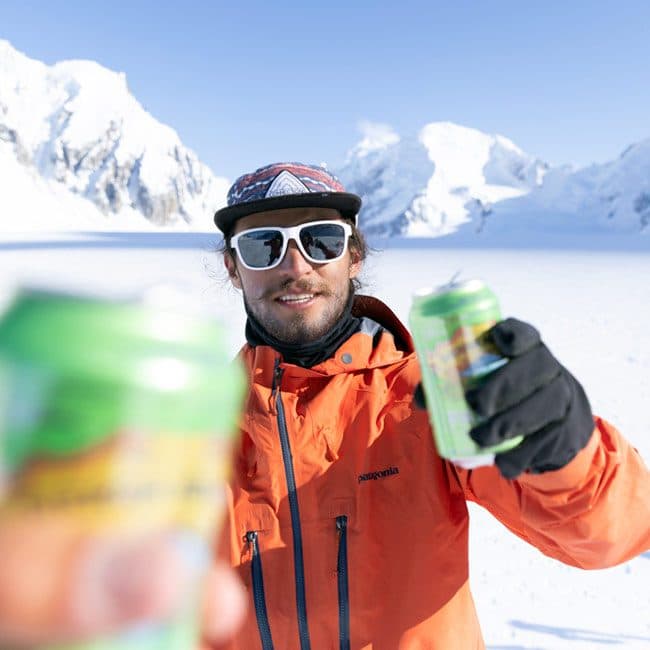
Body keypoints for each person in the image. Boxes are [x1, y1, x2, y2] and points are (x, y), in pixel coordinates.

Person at [211, 161, 650, 649]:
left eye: (321, 240)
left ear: (353, 255)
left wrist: (564, 451)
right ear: (233, 268)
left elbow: (607, 533)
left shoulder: (432, 396)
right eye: (261, 245)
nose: (295, 267)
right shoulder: (194, 429)